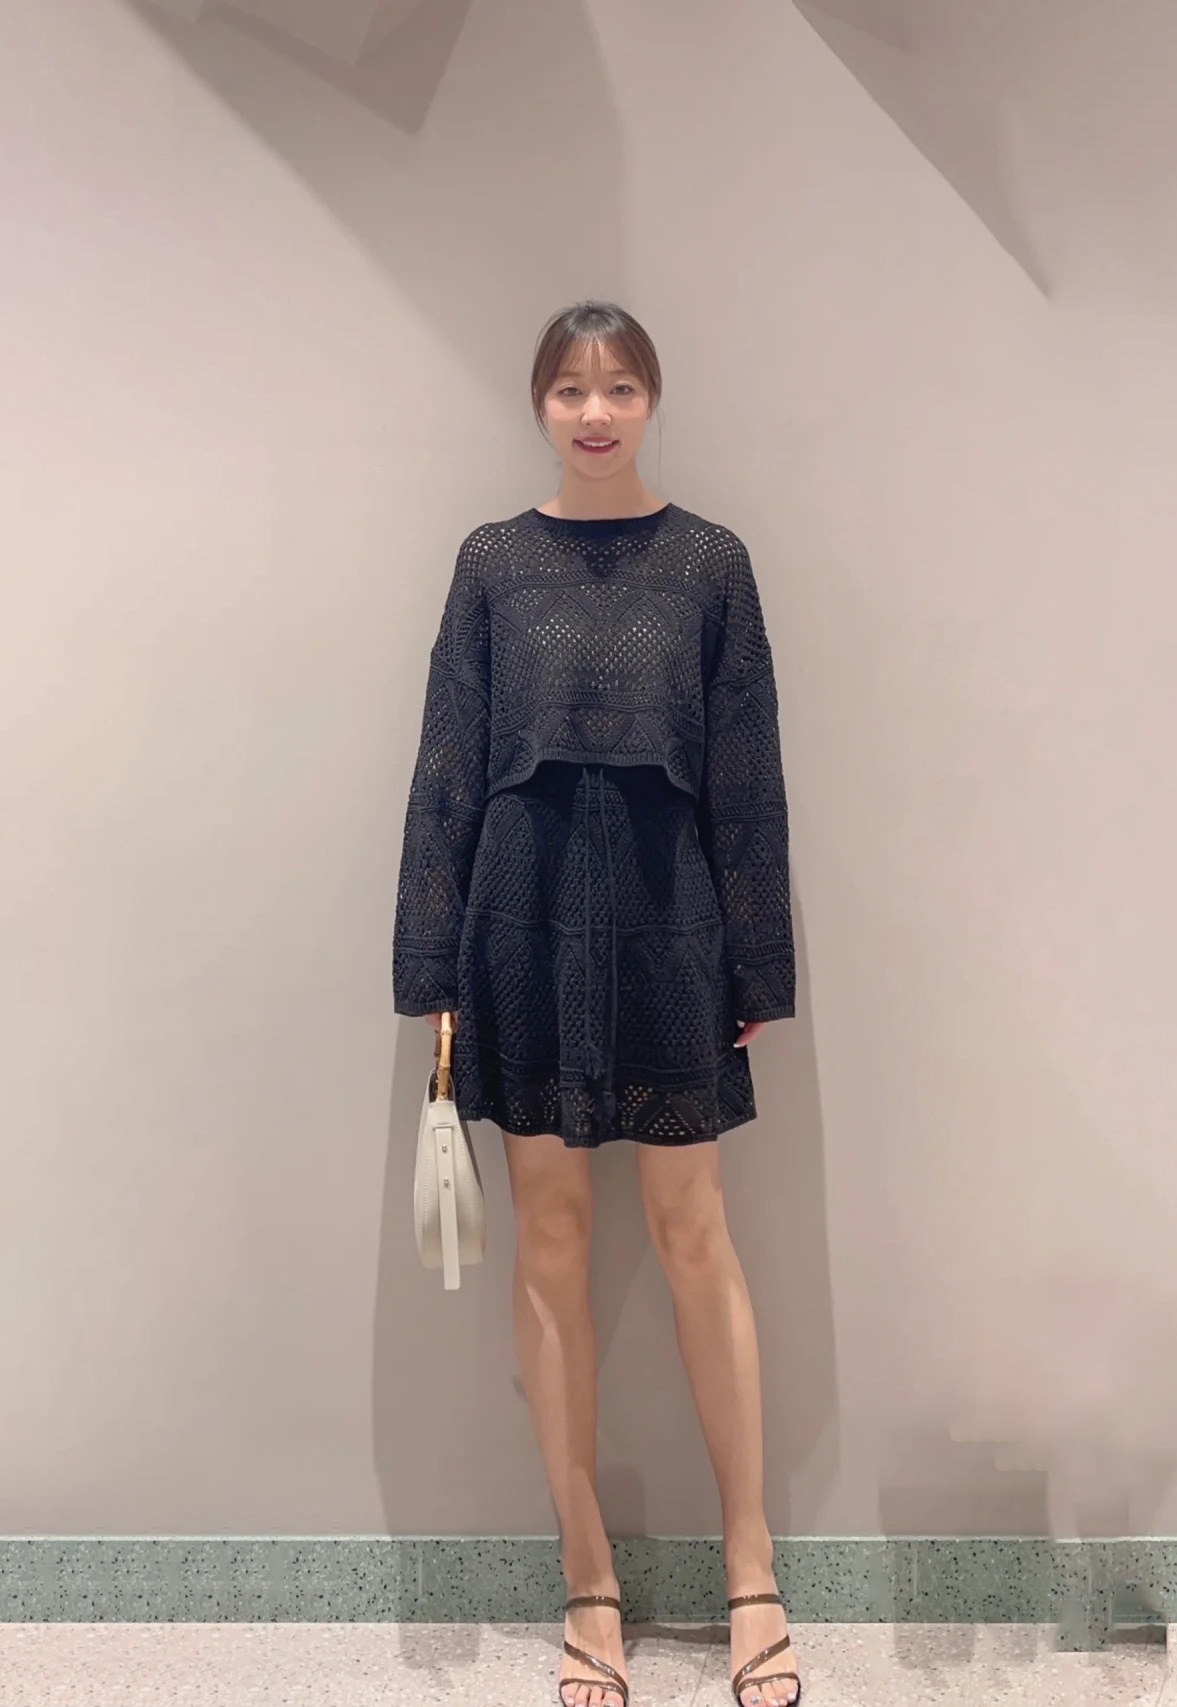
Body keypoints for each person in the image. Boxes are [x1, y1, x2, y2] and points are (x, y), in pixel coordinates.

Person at [392, 302, 800, 1707]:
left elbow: (747, 774)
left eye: (618, 385)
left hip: (672, 926)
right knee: (550, 1241)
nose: (594, 410)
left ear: (651, 399)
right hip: (515, 922)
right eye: (570, 388)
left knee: (696, 1236)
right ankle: (587, 1577)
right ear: (539, 405)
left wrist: (758, 963)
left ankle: (751, 1566)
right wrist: (430, 974)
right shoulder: (492, 563)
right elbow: (447, 768)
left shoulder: (711, 562)